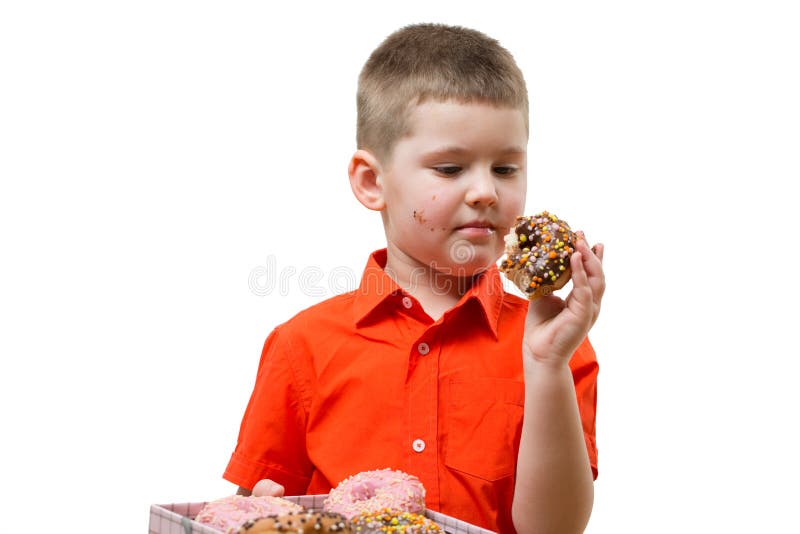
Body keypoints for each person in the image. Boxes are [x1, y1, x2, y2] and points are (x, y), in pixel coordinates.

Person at [223, 23, 605, 534]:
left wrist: (546, 367)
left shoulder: (557, 349)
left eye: (507, 169)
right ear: (371, 182)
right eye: (450, 168)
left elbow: (554, 530)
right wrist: (259, 511)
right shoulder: (302, 346)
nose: (486, 191)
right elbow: (250, 513)